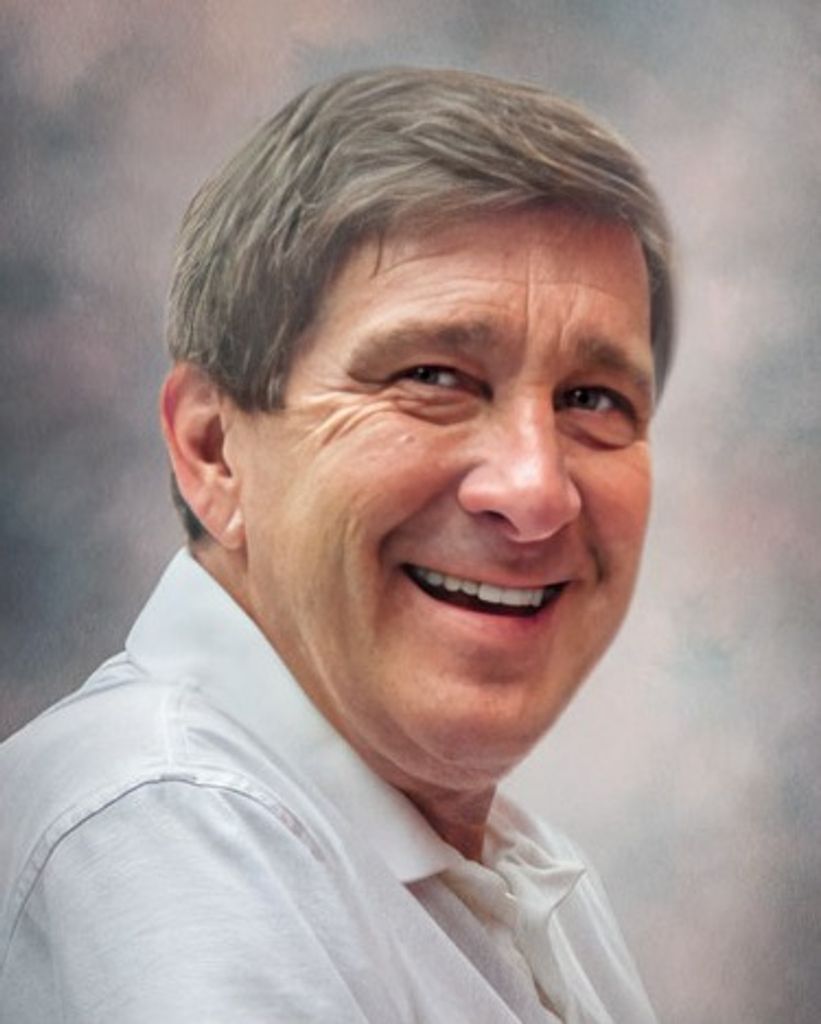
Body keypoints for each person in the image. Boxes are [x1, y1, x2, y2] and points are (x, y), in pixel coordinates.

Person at [0, 67, 674, 1022]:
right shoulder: (168, 825)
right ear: (213, 451)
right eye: (432, 376)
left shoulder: (517, 868)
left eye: (592, 400)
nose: (535, 491)